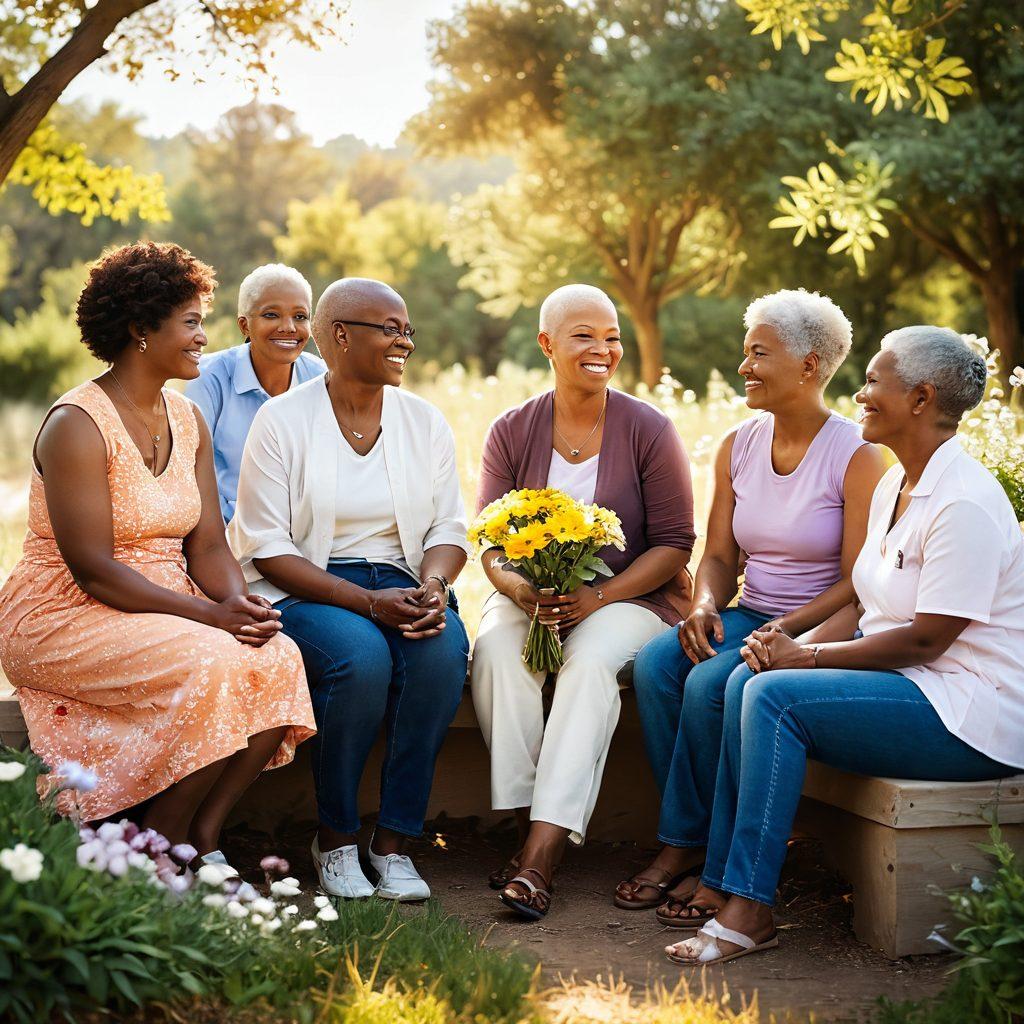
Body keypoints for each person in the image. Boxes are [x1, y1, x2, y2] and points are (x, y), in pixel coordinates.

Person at [665, 326, 1024, 966]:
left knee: (775, 699)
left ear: (919, 398)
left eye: (874, 381)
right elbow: (871, 605)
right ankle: (726, 879)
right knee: (745, 679)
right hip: (915, 687)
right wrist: (784, 639)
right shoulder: (896, 485)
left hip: (968, 712)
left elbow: (923, 638)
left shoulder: (964, 501)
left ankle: (749, 907)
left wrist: (808, 658)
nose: (860, 392)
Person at [0, 242, 315, 880]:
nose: (205, 336)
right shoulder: (77, 424)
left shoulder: (187, 416)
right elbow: (92, 568)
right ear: (142, 331)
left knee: (277, 655)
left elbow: (205, 543)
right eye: (192, 322)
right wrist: (208, 617)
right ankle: (155, 847)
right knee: (212, 661)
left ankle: (202, 832)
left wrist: (233, 602)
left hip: (165, 598)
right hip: (64, 609)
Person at [621, 289, 886, 922]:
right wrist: (705, 604)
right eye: (745, 352)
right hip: (748, 611)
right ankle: (687, 840)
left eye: (759, 354)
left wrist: (784, 630)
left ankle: (712, 865)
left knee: (711, 681)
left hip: (816, 624)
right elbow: (717, 555)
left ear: (810, 365)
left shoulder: (858, 455)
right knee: (658, 665)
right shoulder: (738, 443)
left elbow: (857, 581)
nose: (744, 366)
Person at [228, 277, 470, 902]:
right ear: (340, 335)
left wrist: (435, 585)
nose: (404, 342)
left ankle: (392, 844)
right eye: (390, 329)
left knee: (440, 657)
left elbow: (448, 526)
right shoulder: (282, 422)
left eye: (407, 330)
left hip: (404, 578)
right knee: (359, 659)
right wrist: (365, 603)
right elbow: (267, 545)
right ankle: (334, 839)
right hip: (308, 585)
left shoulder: (424, 421)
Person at [470, 284, 696, 921]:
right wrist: (519, 587)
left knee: (589, 665)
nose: (603, 349)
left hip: (633, 595)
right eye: (585, 336)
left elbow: (676, 543)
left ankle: (542, 856)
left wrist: (596, 596)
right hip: (531, 592)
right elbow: (490, 540)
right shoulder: (512, 430)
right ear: (547, 343)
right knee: (495, 653)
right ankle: (525, 828)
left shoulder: (648, 428)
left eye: (613, 337)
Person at [185, 263, 325, 523]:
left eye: (300, 316)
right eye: (271, 315)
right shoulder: (210, 377)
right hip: (229, 533)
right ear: (244, 325)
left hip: (304, 533)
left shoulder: (321, 377)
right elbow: (189, 474)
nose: (289, 327)